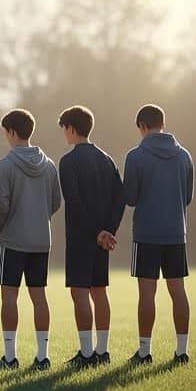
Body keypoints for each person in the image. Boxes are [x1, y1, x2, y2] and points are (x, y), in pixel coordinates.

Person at [0, 109, 62, 371]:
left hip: (13, 240)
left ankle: (10, 358)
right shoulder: (49, 165)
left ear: (11, 132)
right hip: (41, 240)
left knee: (9, 298)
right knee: (39, 298)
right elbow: (55, 202)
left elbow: (1, 205)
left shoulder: (5, 165)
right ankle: (42, 357)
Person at [123, 104, 193, 365]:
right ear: (163, 123)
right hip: (176, 232)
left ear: (142, 126)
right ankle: (182, 351)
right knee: (178, 292)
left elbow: (129, 197)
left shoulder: (136, 156)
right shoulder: (184, 155)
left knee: (146, 294)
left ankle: (144, 352)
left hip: (147, 234)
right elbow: (187, 197)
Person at [58, 105, 126, 367]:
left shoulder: (68, 161)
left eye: (64, 129)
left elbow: (73, 203)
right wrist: (109, 231)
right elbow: (120, 199)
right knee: (100, 292)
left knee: (79, 293)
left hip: (81, 238)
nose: (64, 134)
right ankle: (103, 351)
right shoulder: (107, 159)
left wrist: (97, 232)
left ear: (71, 129)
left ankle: (86, 354)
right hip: (102, 239)